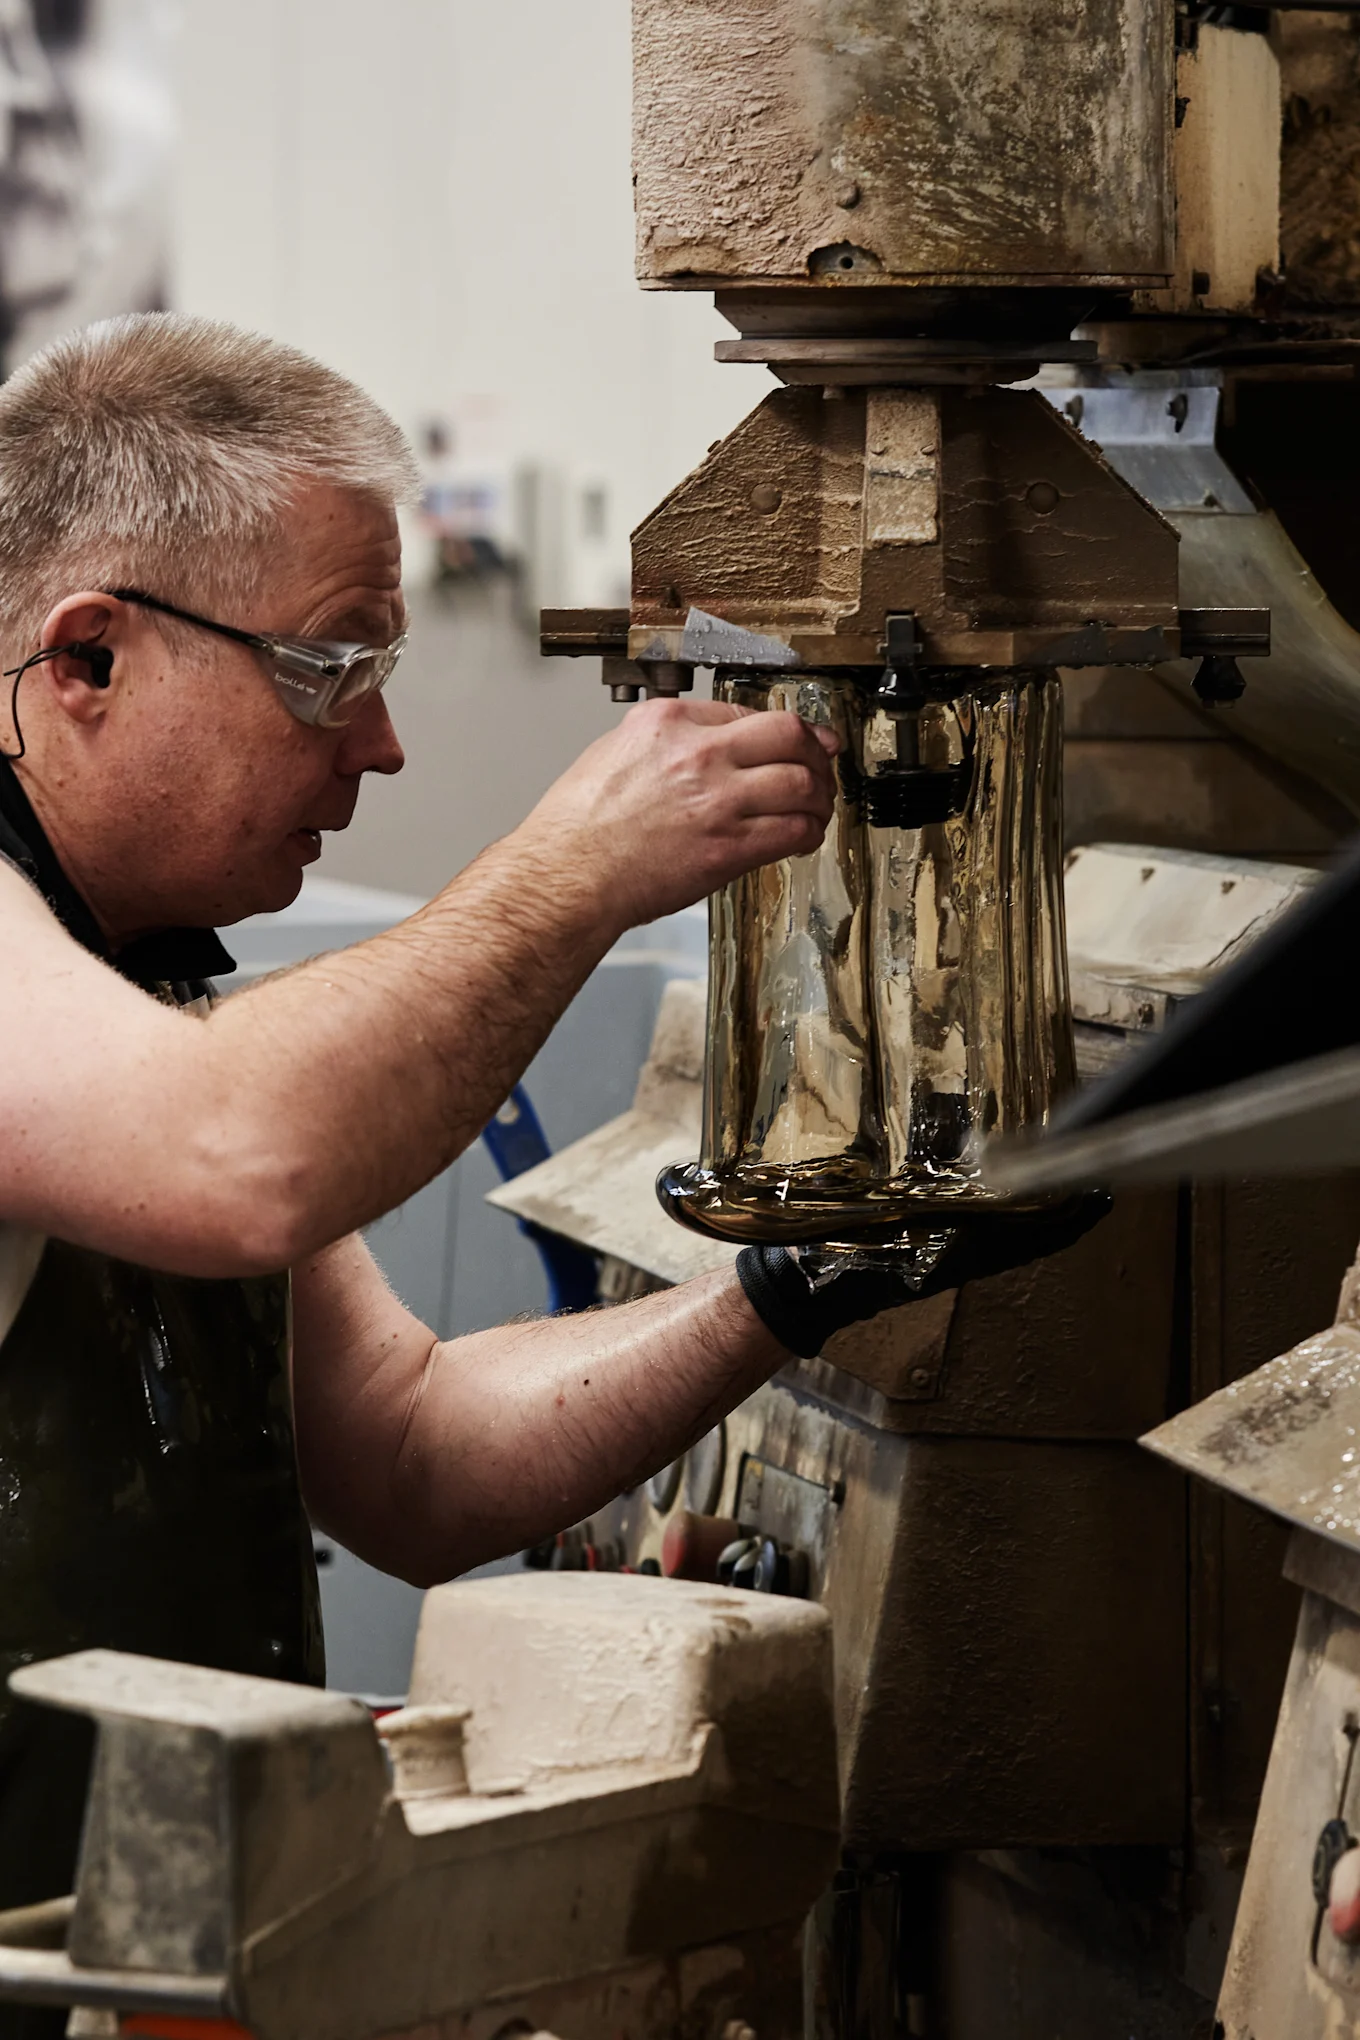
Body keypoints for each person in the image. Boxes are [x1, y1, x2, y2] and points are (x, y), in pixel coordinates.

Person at [0, 316, 1100, 1998]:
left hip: (139, 1966)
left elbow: (418, 1460)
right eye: (334, 670)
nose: (378, 748)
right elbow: (236, 1155)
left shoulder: (131, 990)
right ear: (86, 659)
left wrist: (789, 1294)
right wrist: (573, 870)